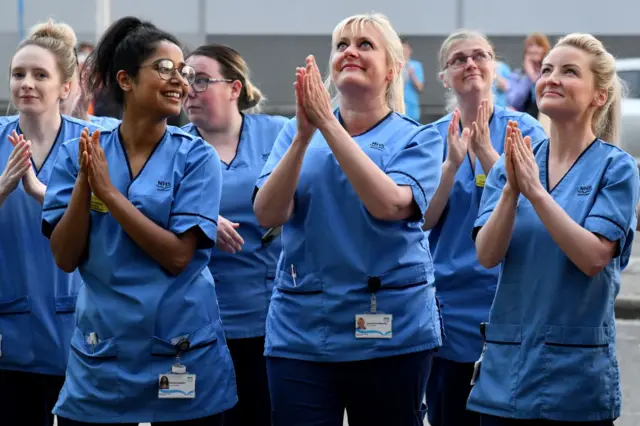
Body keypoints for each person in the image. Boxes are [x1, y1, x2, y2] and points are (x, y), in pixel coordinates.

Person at [41, 16, 237, 425]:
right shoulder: (82, 150)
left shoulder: (196, 157)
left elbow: (179, 257)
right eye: (164, 69)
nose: (180, 81)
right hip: (104, 352)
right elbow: (64, 256)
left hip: (180, 348)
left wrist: (109, 194)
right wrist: (84, 181)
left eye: (183, 72)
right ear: (126, 80)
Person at [253, 13, 444, 426]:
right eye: (341, 46)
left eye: (364, 45)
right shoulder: (295, 133)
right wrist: (306, 135)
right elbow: (268, 213)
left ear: (393, 69)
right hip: (301, 333)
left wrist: (326, 123)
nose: (350, 52)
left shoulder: (418, 137)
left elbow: (390, 205)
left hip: (391, 334)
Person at [469, 33, 638, 425]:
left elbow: (594, 257)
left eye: (569, 72)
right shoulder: (512, 164)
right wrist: (512, 190)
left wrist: (536, 193)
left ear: (598, 96)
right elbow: (487, 255)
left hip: (574, 384)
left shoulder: (617, 169)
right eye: (546, 70)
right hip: (503, 381)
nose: (552, 78)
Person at [424, 30, 547, 426]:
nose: (470, 64)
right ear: (444, 77)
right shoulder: (431, 138)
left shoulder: (527, 131)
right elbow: (421, 219)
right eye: (458, 59)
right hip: (452, 309)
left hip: (514, 303)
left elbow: (540, 207)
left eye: (480, 55)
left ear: (494, 67)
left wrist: (486, 155)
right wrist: (451, 167)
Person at [182, 43, 286, 426]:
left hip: (272, 318)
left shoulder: (279, 135)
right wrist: (203, 219)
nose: (189, 89)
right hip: (199, 322)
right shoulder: (173, 147)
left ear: (235, 88)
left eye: (202, 80)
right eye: (185, 79)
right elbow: (144, 210)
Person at [0, 19, 96, 426]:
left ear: (67, 88)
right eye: (18, 74)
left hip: (83, 327)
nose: (27, 83)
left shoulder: (97, 140)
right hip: (10, 330)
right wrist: (3, 189)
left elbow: (133, 206)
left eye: (41, 75)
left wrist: (42, 191)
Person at [507, 32, 551, 119]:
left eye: (538, 45)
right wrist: (529, 74)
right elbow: (514, 102)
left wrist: (535, 77)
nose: (534, 49)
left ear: (545, 50)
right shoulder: (517, 75)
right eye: (531, 45)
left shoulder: (549, 74)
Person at [401, 38, 424, 122]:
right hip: (398, 107)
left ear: (410, 50)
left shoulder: (416, 65)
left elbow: (420, 88)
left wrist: (412, 74)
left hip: (412, 108)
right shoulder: (395, 65)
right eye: (402, 49)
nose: (404, 51)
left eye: (406, 49)